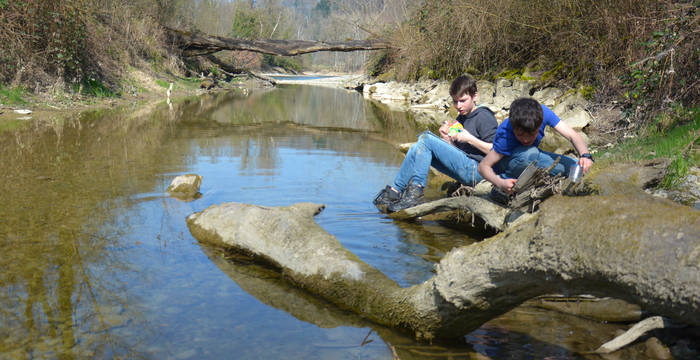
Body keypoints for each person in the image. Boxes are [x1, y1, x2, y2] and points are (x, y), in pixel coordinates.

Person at [373, 75, 498, 213]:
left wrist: (469, 138)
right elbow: (461, 152)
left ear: (475, 96)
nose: (458, 106)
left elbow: (497, 152)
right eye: (455, 102)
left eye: (463, 101)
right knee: (416, 147)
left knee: (426, 138)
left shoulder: (484, 116)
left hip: (478, 171)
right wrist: (448, 140)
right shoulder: (461, 117)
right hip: (466, 166)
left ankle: (416, 193)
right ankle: (395, 191)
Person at [478, 97, 594, 195]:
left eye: (532, 134)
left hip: (533, 157)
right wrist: (499, 182)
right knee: (531, 154)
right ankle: (501, 187)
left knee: (580, 167)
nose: (525, 139)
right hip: (508, 165)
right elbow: (483, 166)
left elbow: (572, 134)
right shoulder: (505, 134)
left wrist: (585, 155)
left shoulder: (542, 113)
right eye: (520, 134)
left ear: (539, 124)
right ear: (513, 128)